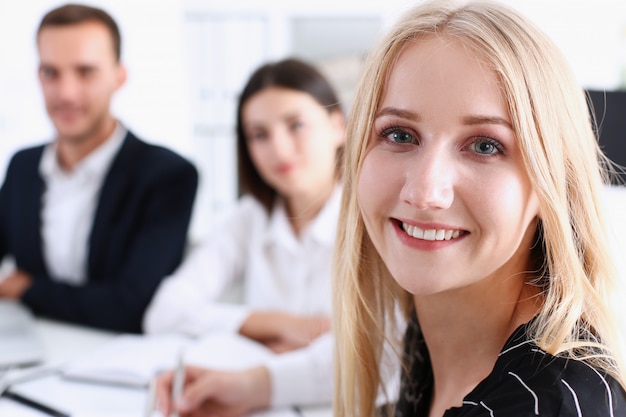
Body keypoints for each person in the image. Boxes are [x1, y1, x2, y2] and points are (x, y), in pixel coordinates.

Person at [332, 1, 626, 417]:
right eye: (400, 134)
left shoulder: (549, 404)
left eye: (485, 145)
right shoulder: (434, 326)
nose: (425, 192)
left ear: (550, 184)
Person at [144, 58, 345, 416]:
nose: (279, 150)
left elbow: (372, 356)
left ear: (338, 127)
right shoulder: (249, 219)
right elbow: (164, 312)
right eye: (259, 134)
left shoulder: (375, 222)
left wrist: (263, 365)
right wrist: (271, 325)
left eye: (295, 125)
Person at [0, 4, 198, 333]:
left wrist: (26, 289)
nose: (65, 93)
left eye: (85, 72)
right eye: (51, 72)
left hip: (119, 365)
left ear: (119, 77)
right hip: (29, 355)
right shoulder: (23, 165)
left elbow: (131, 306)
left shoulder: (168, 176)